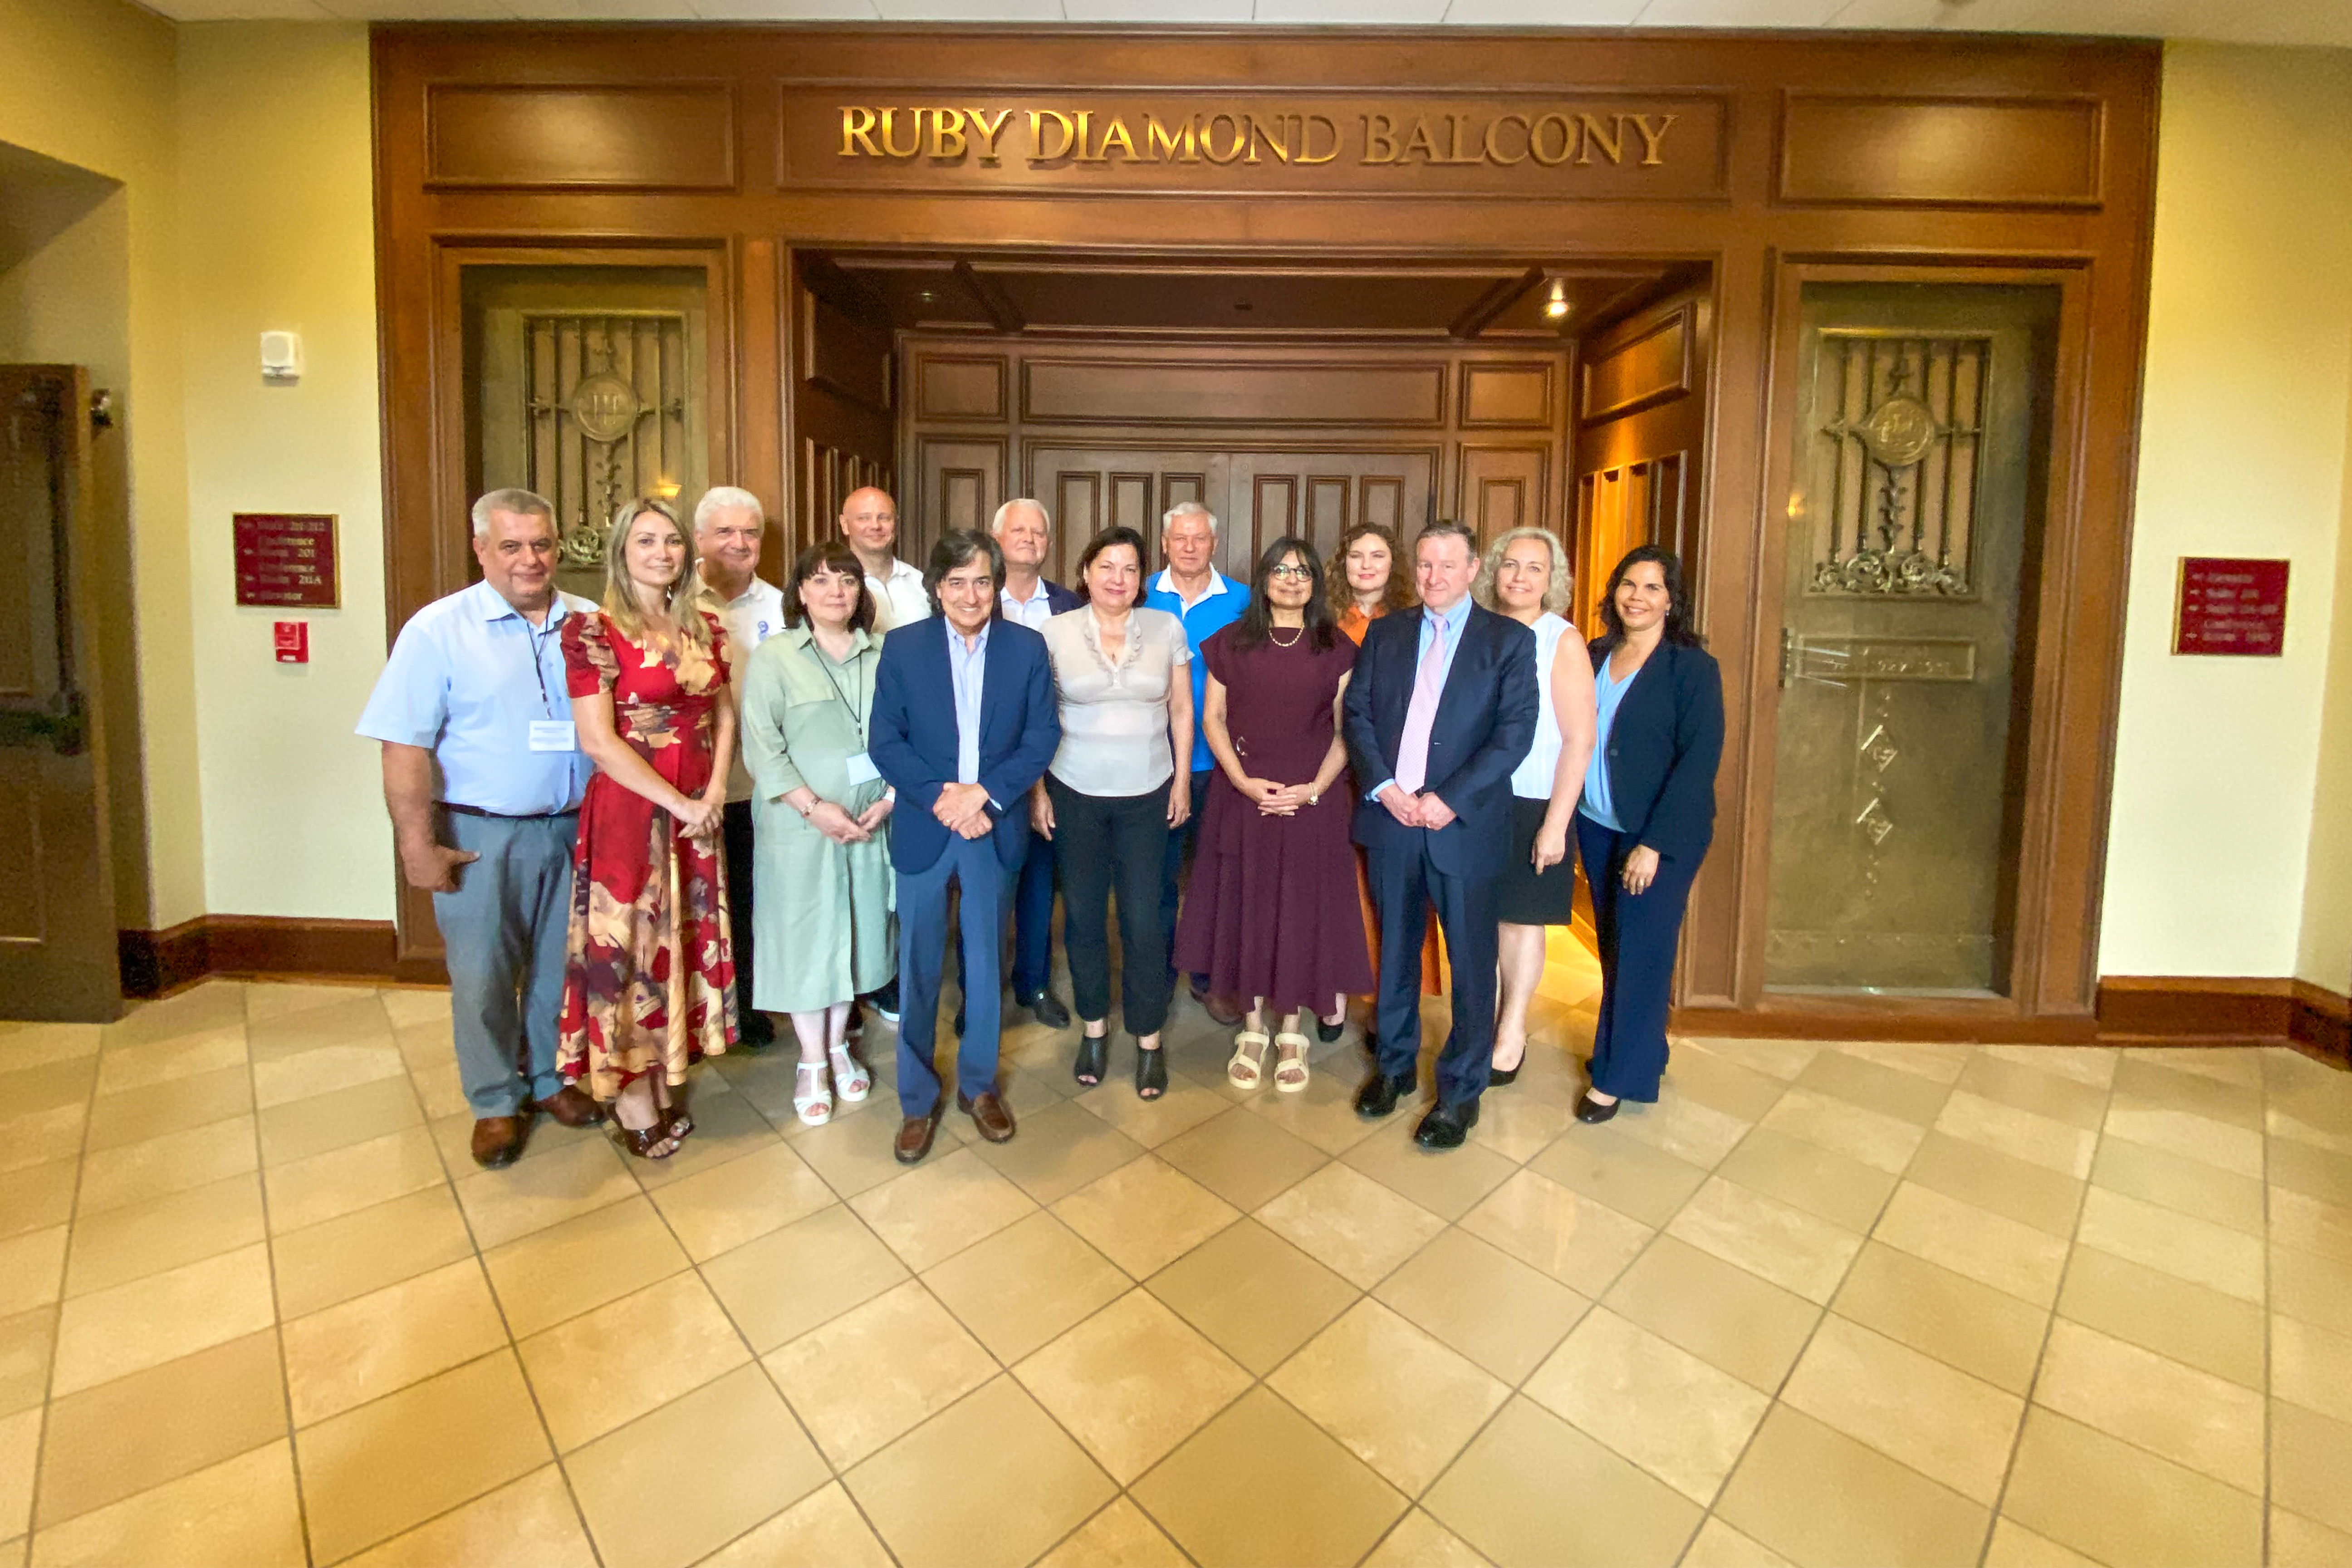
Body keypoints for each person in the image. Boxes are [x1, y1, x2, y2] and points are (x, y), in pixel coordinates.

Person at [357, 488, 606, 1169]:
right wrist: (416, 844)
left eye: (542, 544)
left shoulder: (588, 621)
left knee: (563, 969)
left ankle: (553, 1080)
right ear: (481, 550)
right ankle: (496, 1101)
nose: (531, 560)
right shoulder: (438, 630)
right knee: (484, 976)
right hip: (481, 833)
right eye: (512, 546)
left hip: (575, 829)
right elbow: (402, 745)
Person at [1342, 521, 1538, 1150]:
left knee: (1471, 964)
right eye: (1424, 565)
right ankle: (1393, 1069)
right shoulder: (1387, 632)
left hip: (1464, 826)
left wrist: (1448, 799)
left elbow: (1514, 735)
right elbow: (1359, 714)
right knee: (1395, 952)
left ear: (1473, 568)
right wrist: (1386, 788)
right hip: (1392, 818)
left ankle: (1459, 1093)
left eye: (1447, 565)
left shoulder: (1507, 641)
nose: (1433, 577)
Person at [870, 530, 1059, 1163]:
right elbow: (886, 741)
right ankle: (917, 1100)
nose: (970, 594)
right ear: (937, 588)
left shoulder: (1028, 648)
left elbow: (1040, 738)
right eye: (956, 582)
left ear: (996, 583)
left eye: (982, 580)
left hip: (992, 824)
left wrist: (984, 797)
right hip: (928, 826)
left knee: (985, 965)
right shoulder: (903, 647)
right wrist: (941, 797)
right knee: (920, 967)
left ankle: (979, 1087)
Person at [558, 497, 738, 1159]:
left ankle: (664, 1075)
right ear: (621, 553)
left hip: (698, 809)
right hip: (631, 815)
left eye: (671, 541)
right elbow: (599, 743)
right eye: (646, 542)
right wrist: (681, 804)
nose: (663, 553)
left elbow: (723, 715)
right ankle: (630, 1095)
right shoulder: (593, 633)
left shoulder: (704, 625)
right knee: (629, 950)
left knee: (679, 941)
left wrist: (713, 792)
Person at [1177, 538, 1373, 1095]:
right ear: (1263, 579)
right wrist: (1241, 780)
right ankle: (1254, 1028)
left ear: (1315, 583)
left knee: (1303, 912)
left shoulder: (1336, 648)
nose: (1292, 579)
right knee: (1249, 907)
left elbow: (1346, 730)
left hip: (1315, 802)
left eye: (1303, 571)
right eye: (1281, 570)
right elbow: (1211, 716)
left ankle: (1293, 1032)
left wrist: (1312, 789)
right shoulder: (1230, 643)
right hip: (1244, 798)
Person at [1032, 527, 1194, 1098]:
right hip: (1074, 791)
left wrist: (1181, 781)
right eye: (1107, 566)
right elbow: (1037, 717)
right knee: (1081, 918)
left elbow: (1180, 709)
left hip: (1149, 792)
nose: (1118, 579)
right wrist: (1038, 792)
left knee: (1145, 922)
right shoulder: (1052, 632)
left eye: (1130, 569)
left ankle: (1148, 1037)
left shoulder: (1166, 627)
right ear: (1085, 572)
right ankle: (1095, 1028)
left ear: (1141, 578)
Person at [738, 542, 892, 1126]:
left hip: (871, 823)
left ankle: (837, 1046)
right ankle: (810, 1060)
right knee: (806, 939)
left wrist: (891, 800)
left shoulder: (884, 655)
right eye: (822, 581)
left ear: (861, 594)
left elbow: (910, 731)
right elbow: (764, 747)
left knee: (852, 933)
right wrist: (814, 807)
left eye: (847, 581)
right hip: (798, 827)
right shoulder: (775, 657)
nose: (836, 592)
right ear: (800, 592)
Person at [1574, 546, 1725, 1123]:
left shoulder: (1691, 667)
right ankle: (1641, 1049)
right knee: (1617, 948)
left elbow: (1699, 760)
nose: (1637, 597)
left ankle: (1616, 1078)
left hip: (1658, 835)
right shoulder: (1594, 654)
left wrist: (1654, 845)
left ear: (1671, 600)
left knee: (1642, 951)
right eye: (1628, 585)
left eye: (1652, 588)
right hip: (1598, 824)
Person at [1476, 527, 1599, 1085]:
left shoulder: (1562, 640)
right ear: (1494, 572)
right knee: (1477, 919)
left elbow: (1579, 738)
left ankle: (1511, 1029)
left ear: (1552, 581)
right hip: (1476, 797)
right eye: (1511, 565)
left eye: (1534, 568)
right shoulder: (1473, 630)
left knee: (1521, 922)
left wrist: (1556, 824)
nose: (1520, 577)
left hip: (1535, 799)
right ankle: (1482, 1020)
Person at [1144, 500, 1251, 1022]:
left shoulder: (1243, 601)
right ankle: (1158, 975)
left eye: (1200, 538)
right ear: (1164, 544)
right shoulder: (1138, 593)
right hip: (1150, 763)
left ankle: (1212, 978)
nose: (1189, 547)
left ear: (1214, 543)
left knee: (1218, 876)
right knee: (1157, 877)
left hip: (1222, 762)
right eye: (1179, 538)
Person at [695, 485, 786, 1048]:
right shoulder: (675, 605)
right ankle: (696, 1020)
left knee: (754, 902)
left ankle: (747, 1009)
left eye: (750, 533)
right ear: (699, 539)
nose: (739, 543)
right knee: (697, 905)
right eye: (725, 532)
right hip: (691, 785)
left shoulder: (782, 607)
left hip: (758, 784)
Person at [989, 499, 1078, 1029]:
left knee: (1040, 884)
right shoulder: (974, 597)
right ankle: (983, 994)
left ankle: (1034, 983)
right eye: (1018, 531)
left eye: (1039, 532)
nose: (1030, 539)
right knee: (989, 886)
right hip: (989, 767)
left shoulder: (1069, 604)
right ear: (997, 540)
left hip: (1056, 762)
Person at [841, 485, 929, 632]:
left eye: (884, 518)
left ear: (896, 523)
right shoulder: (828, 588)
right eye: (864, 518)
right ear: (845, 525)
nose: (875, 526)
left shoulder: (922, 584)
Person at [1330, 520, 1416, 646]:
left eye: (1378, 556)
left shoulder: (1410, 620)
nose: (1366, 565)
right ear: (1343, 563)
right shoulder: (1324, 617)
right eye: (1356, 556)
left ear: (1393, 564)